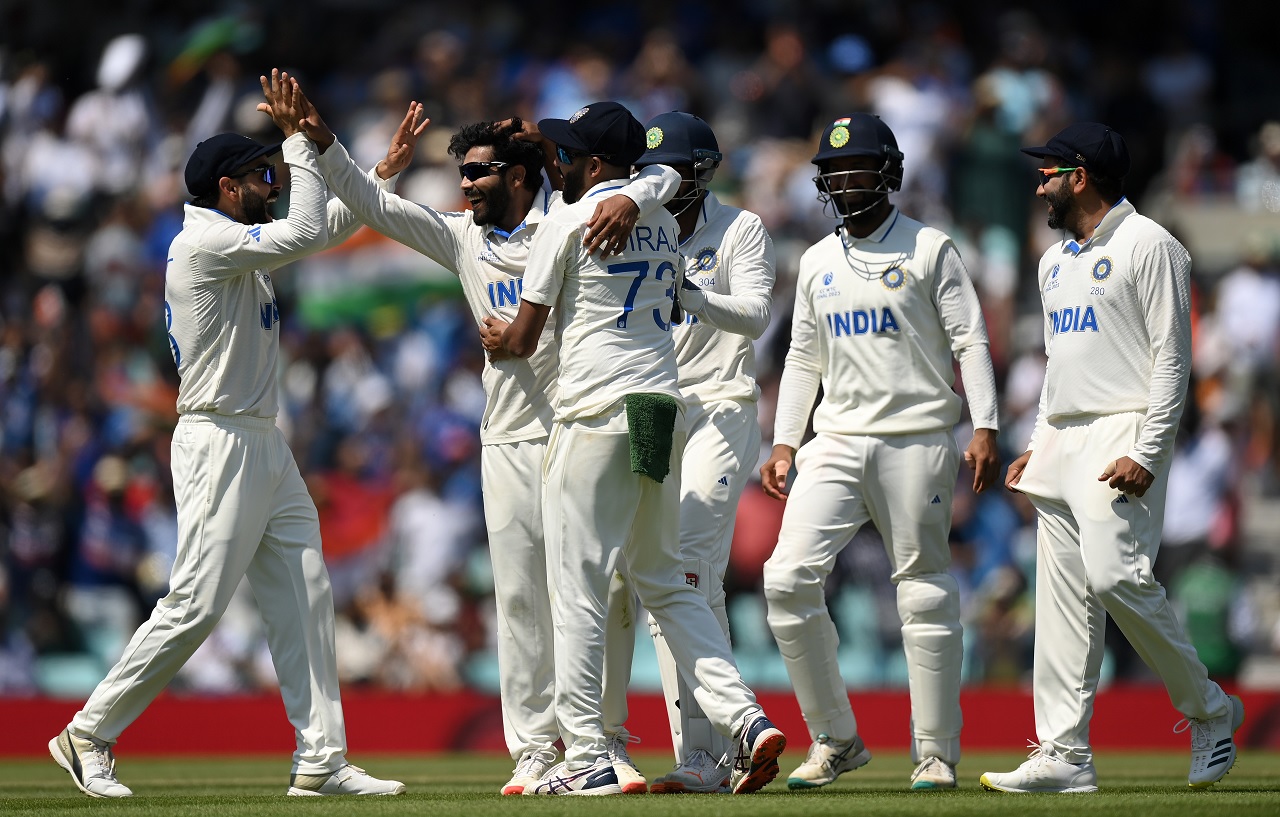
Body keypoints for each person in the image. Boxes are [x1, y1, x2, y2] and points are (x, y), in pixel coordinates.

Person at [288, 84, 680, 794]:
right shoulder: (461, 237)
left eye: (477, 171)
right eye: (462, 173)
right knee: (521, 598)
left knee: (601, 592)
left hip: (577, 430)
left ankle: (603, 739)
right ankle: (533, 748)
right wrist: (326, 145)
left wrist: (633, 195)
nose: (465, 184)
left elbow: (658, 172)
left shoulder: (572, 220)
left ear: (521, 176)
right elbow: (376, 207)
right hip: (507, 441)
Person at [47, 71, 406, 798]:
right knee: (196, 603)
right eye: (260, 176)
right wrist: (300, 142)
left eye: (272, 172)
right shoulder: (202, 245)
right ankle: (88, 732)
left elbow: (318, 232)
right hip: (218, 439)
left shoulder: (238, 240)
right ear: (225, 186)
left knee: (305, 592)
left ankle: (321, 756)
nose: (273, 184)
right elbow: (304, 229)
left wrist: (379, 176)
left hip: (261, 440)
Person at [487, 101, 786, 796]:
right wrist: (632, 188)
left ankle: (588, 755)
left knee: (578, 590)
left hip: (594, 414)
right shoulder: (659, 219)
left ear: (596, 165)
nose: (555, 164)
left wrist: (498, 338)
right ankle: (744, 718)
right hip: (661, 408)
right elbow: (660, 182)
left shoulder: (564, 223)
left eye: (566, 154)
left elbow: (524, 340)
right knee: (665, 581)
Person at [980, 122, 1245, 794]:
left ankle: (1210, 709)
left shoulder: (1151, 244)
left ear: (1081, 177)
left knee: (1114, 574)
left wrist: (1148, 450)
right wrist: (1037, 441)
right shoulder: (1053, 261)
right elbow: (1058, 363)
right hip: (1062, 437)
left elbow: (1173, 360)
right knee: (1062, 600)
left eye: (1048, 173)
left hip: (1122, 433)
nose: (1038, 185)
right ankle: (1064, 752)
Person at [759, 113, 1001, 791]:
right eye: (832, 171)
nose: (842, 181)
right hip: (835, 440)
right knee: (786, 580)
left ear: (888, 173)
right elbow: (802, 358)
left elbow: (970, 339)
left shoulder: (930, 248)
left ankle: (935, 752)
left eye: (855, 167)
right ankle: (835, 737)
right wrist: (784, 441)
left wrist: (984, 424)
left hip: (916, 436)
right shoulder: (815, 260)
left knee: (923, 590)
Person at [606, 111, 776, 794]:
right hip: (656, 409)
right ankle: (714, 748)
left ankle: (708, 753)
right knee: (661, 576)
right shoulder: (630, 226)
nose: (661, 186)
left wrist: (690, 294)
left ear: (700, 174)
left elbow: (756, 314)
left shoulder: (739, 228)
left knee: (690, 569)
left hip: (721, 406)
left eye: (672, 174)